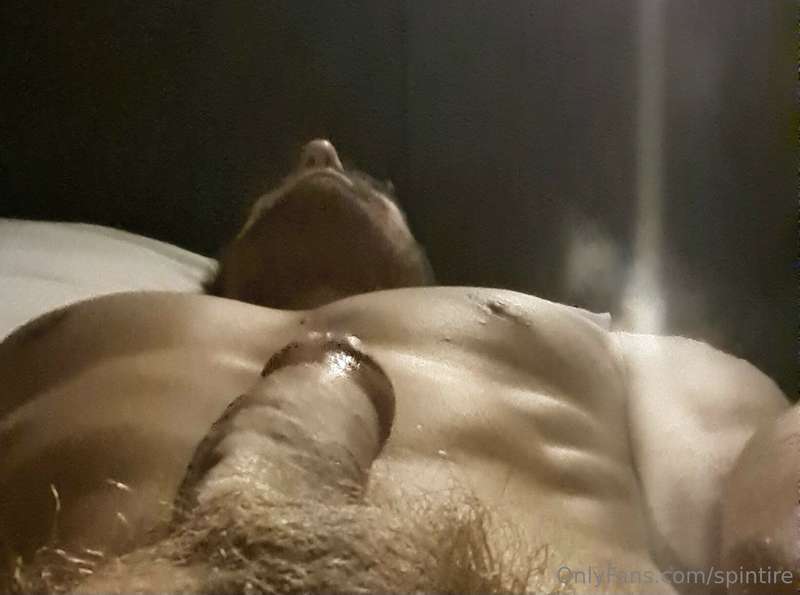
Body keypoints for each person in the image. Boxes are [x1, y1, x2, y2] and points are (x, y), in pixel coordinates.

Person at [0, 140, 794, 594]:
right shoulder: (69, 332)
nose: (320, 151)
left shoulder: (578, 338)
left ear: (427, 268)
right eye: (288, 176)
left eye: (372, 182)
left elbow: (744, 452)